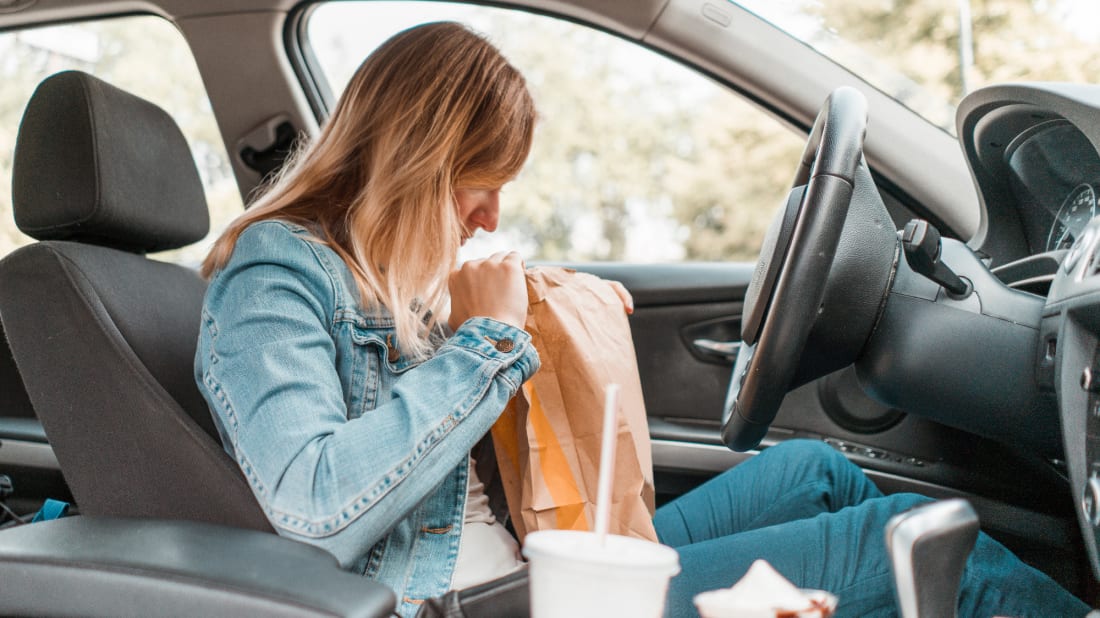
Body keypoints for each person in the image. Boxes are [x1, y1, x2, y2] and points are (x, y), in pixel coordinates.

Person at [194, 21, 1090, 618]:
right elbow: (315, 506)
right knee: (887, 547)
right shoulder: (273, 275)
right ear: (417, 160)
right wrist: (486, 342)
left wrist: (554, 317)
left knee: (817, 473)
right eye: (483, 183)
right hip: (473, 603)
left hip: (525, 562)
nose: (491, 218)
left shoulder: (388, 277)